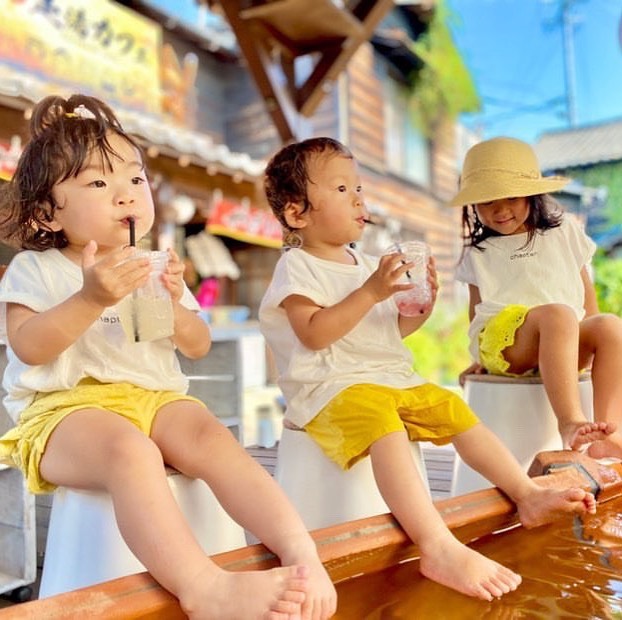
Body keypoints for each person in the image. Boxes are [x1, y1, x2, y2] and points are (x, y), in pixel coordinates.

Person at [0, 94, 336, 620]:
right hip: (61, 413)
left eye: (134, 179)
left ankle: (300, 554)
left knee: (213, 436)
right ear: (48, 210)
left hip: (153, 399)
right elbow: (28, 345)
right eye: (97, 183)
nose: (124, 195)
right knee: (131, 451)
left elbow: (195, 345)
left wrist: (175, 303)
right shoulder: (36, 269)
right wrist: (91, 298)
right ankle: (203, 587)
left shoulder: (150, 265)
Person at [259, 136, 597, 602]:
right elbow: (315, 334)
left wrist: (416, 309)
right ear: (298, 213)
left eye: (359, 188)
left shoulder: (364, 264)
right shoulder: (298, 268)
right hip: (328, 390)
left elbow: (384, 332)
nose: (359, 198)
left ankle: (525, 492)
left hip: (388, 378)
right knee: (384, 420)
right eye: (342, 189)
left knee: (451, 407)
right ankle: (436, 544)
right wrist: (372, 293)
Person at [452, 136, 622, 459]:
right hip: (510, 346)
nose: (500, 210)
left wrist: (593, 337)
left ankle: (609, 432)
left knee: (611, 325)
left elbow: (586, 297)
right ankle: (570, 422)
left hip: (563, 335)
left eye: (511, 197)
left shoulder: (565, 233)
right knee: (557, 315)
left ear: (532, 194)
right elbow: (477, 314)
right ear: (473, 204)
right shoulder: (480, 252)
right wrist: (480, 358)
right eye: (487, 201)